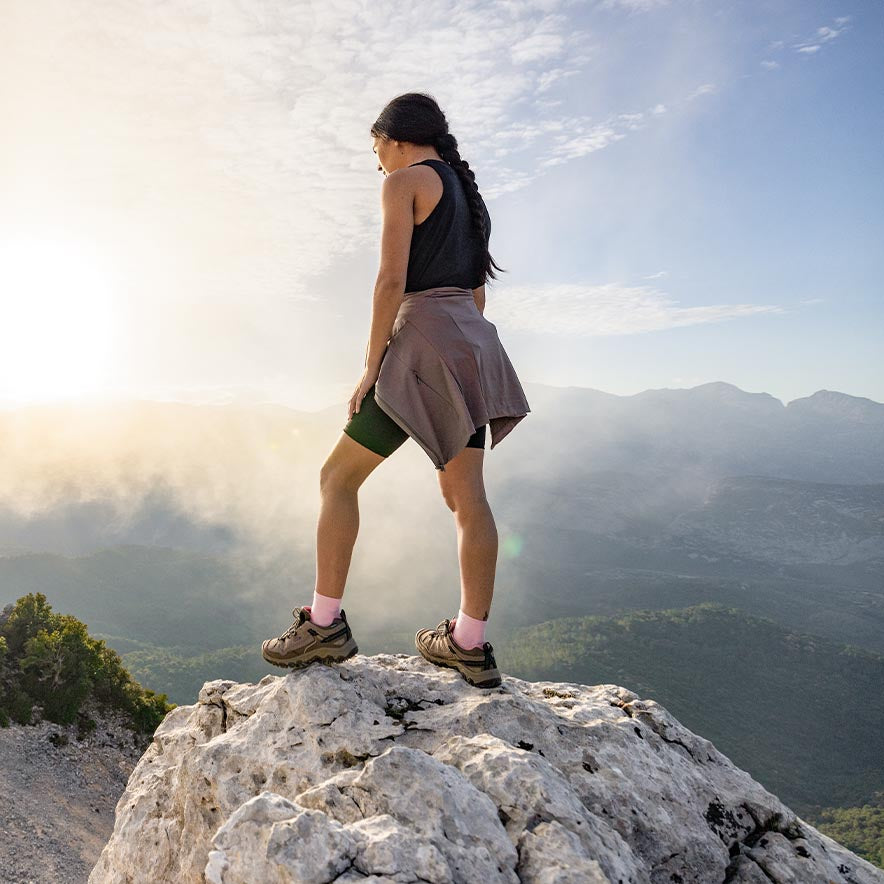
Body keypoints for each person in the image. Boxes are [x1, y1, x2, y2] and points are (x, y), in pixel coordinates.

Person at [261, 92, 531, 689]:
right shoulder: (466, 191)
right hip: (472, 344)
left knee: (337, 478)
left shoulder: (405, 181)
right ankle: (469, 642)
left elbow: (390, 281)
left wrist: (371, 366)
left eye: (375, 147)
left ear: (396, 139)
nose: (377, 161)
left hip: (421, 344)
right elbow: (476, 291)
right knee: (468, 499)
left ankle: (325, 624)